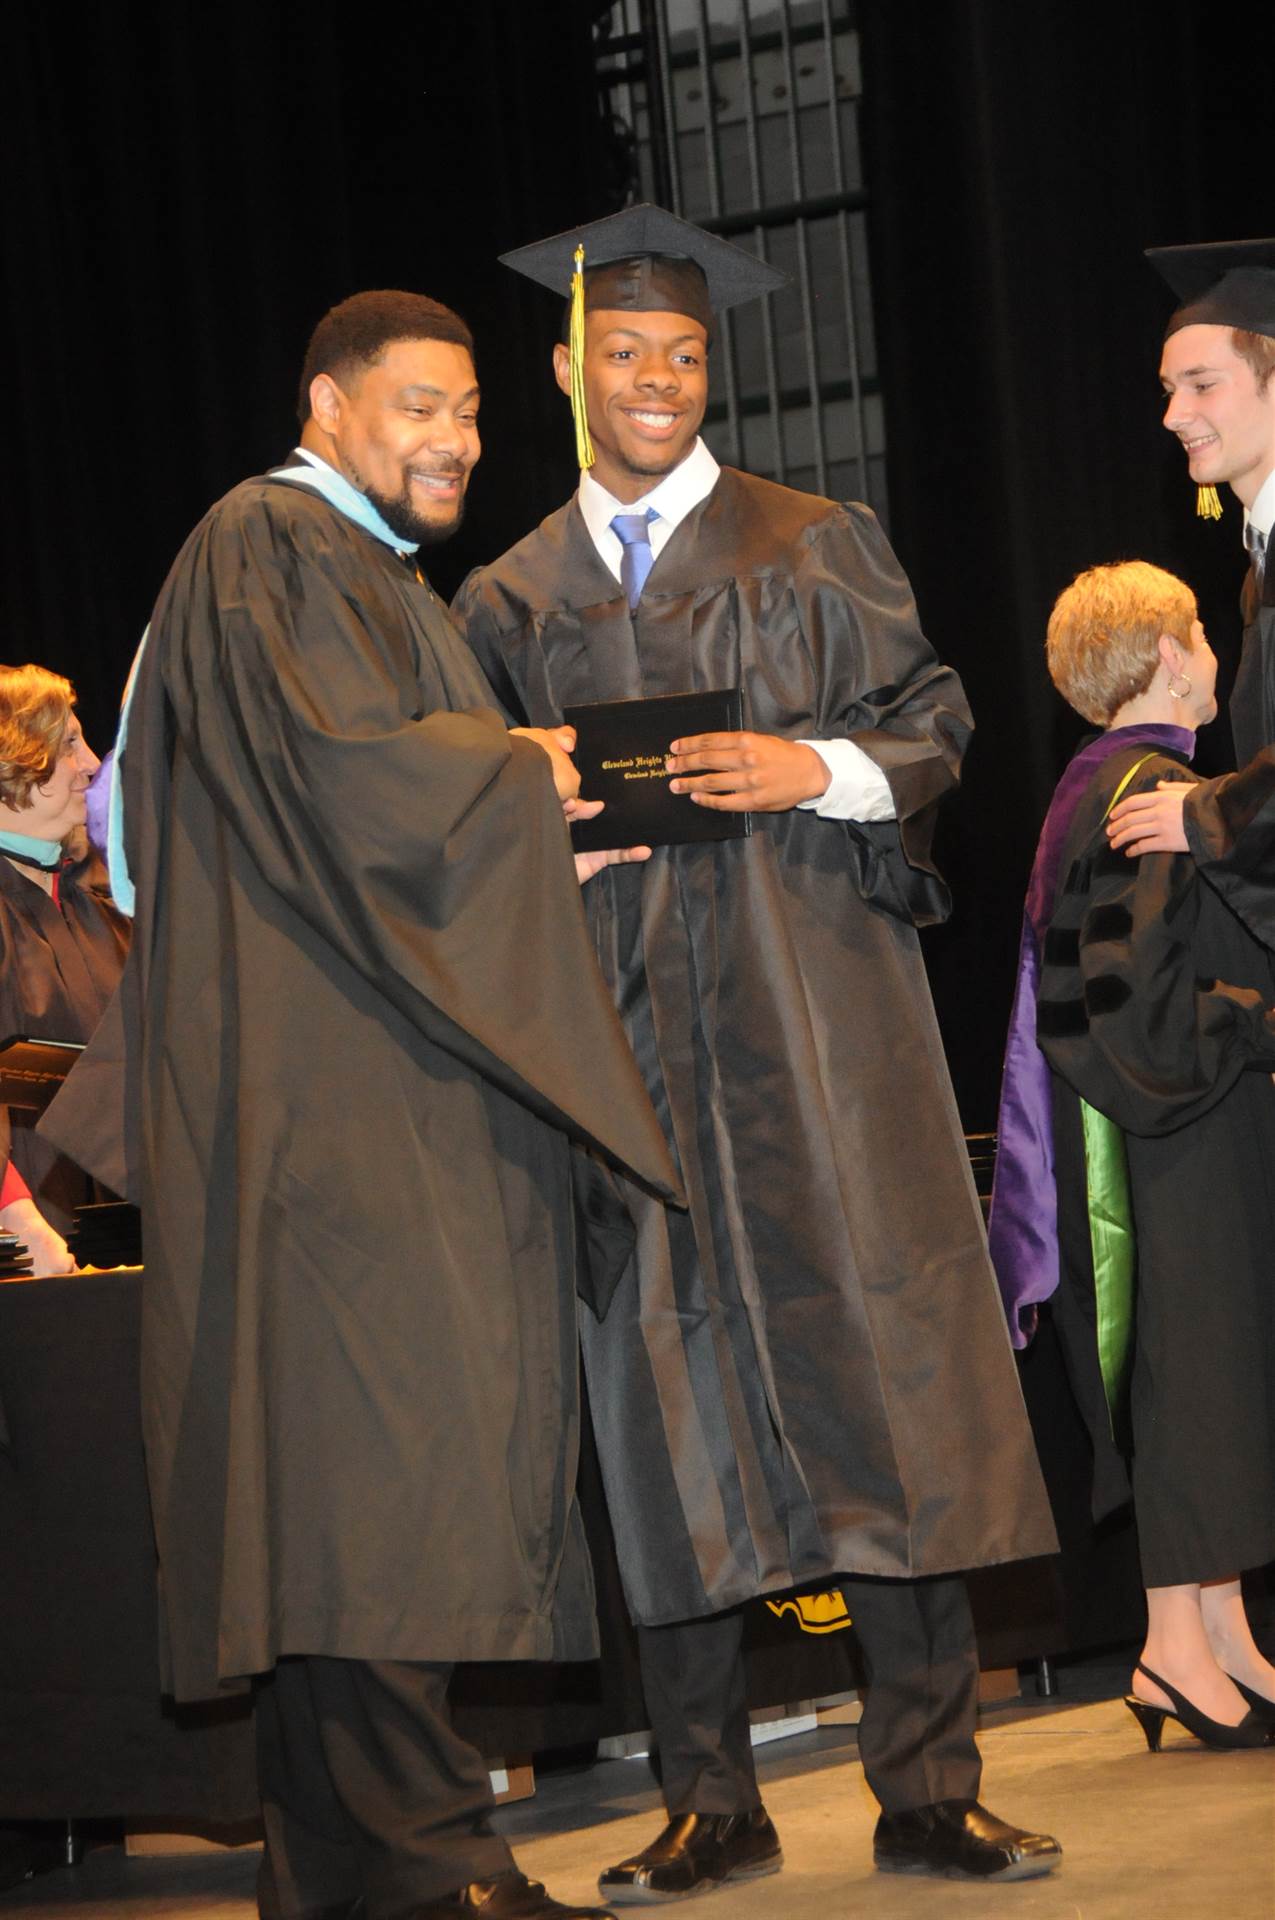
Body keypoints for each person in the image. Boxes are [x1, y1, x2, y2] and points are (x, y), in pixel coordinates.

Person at [41, 288, 683, 1920]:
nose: (453, 436)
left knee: (341, 1490)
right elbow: (355, 786)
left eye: (469, 410)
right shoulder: (276, 545)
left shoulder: (351, 575)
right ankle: (434, 1865)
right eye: (417, 405)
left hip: (346, 1089)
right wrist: (514, 774)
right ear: (326, 403)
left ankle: (346, 1875)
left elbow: (386, 799)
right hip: (347, 1108)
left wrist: (525, 813)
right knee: (383, 1473)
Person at [456, 205, 1062, 1896]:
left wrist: (814, 770)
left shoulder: (816, 540)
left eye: (687, 355)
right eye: (627, 352)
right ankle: (707, 1795)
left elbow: (934, 722)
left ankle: (930, 1782)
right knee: (663, 1406)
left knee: (883, 1382)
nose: (658, 379)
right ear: (567, 364)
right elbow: (460, 828)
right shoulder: (507, 598)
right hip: (624, 1050)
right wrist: (536, 822)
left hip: (816, 1034)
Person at [990, 560, 1275, 1751]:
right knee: (1195, 1378)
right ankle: (1175, 1648)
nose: (1215, 654)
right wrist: (1257, 1021)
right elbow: (1135, 997)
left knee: (1189, 1380)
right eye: (1203, 635)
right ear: (1166, 651)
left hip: (1137, 1128)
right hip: (1174, 1129)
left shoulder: (1096, 780)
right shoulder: (1150, 783)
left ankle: (1211, 1633)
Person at [1107, 240, 1275, 861]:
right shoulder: (1260, 566)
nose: (1174, 415)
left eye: (1202, 384)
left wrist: (1208, 816)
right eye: (1169, 390)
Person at [0, 665, 127, 1276]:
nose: (93, 765)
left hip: (123, 1236)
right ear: (13, 761)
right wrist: (16, 1216)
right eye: (69, 743)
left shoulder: (105, 911)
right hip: (30, 1251)